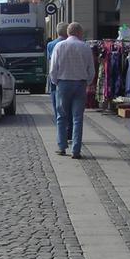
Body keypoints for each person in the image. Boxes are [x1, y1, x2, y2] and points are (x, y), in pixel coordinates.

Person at [49, 21, 94, 159]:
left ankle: (62, 147)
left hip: (63, 84)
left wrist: (56, 82)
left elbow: (53, 69)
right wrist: (87, 82)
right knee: (77, 118)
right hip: (80, 84)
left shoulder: (59, 46)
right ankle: (76, 150)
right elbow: (91, 69)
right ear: (79, 33)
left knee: (61, 117)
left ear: (68, 33)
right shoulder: (85, 47)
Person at [45, 21, 68, 128]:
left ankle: (59, 125)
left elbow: (50, 60)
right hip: (68, 76)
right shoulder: (70, 43)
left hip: (55, 76)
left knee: (56, 103)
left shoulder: (50, 45)